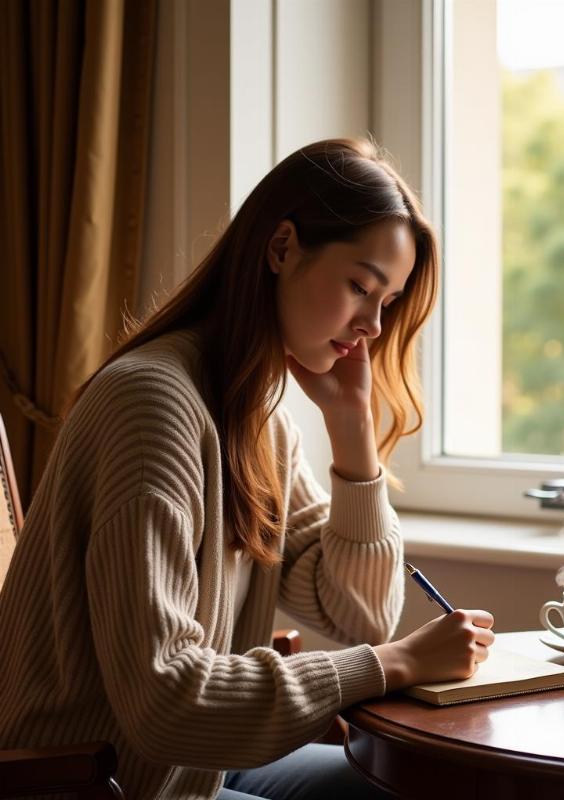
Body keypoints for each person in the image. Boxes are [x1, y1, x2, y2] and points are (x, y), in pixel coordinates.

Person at [0, 138, 495, 800]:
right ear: (282, 247)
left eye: (388, 301)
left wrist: (353, 433)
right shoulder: (152, 405)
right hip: (90, 781)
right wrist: (396, 663)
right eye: (360, 286)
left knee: (416, 785)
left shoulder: (255, 419)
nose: (374, 325)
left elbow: (361, 613)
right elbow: (166, 699)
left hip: (180, 767)